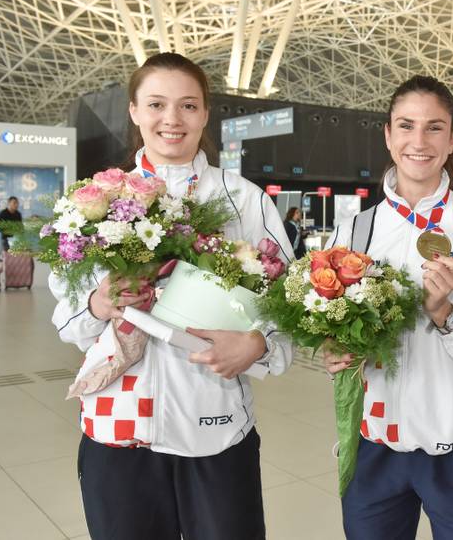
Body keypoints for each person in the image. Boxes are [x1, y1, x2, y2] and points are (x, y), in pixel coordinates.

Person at [49, 52, 296, 540]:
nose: (172, 119)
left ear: (205, 115)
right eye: (157, 104)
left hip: (215, 422)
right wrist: (99, 303)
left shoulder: (242, 199)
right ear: (136, 112)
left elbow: (287, 301)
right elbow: (67, 317)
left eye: (187, 106)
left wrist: (258, 345)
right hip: (117, 422)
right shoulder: (94, 202)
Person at [323, 75, 453, 540]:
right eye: (406, 126)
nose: (418, 141)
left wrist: (445, 313)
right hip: (373, 441)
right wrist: (332, 345)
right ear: (388, 135)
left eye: (434, 128)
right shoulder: (355, 231)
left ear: (452, 140)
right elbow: (327, 323)